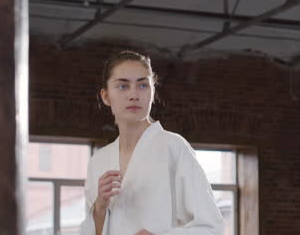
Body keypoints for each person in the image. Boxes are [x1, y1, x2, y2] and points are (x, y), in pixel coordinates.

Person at [79, 51, 224, 235]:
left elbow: (212, 228)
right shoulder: (98, 161)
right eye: (123, 86)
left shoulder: (173, 148)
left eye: (142, 85)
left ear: (153, 91)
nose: (134, 94)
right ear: (106, 96)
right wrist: (99, 207)